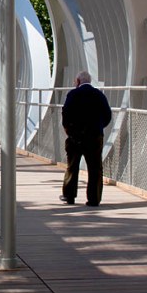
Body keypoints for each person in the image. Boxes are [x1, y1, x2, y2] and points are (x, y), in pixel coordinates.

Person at [60, 70, 111, 206]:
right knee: (95, 168)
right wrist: (98, 129)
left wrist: (69, 130)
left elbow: (66, 114)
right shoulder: (99, 95)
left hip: (75, 137)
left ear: (77, 81)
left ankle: (69, 196)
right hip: (94, 137)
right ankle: (94, 199)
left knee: (72, 166)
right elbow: (107, 115)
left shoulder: (73, 94)